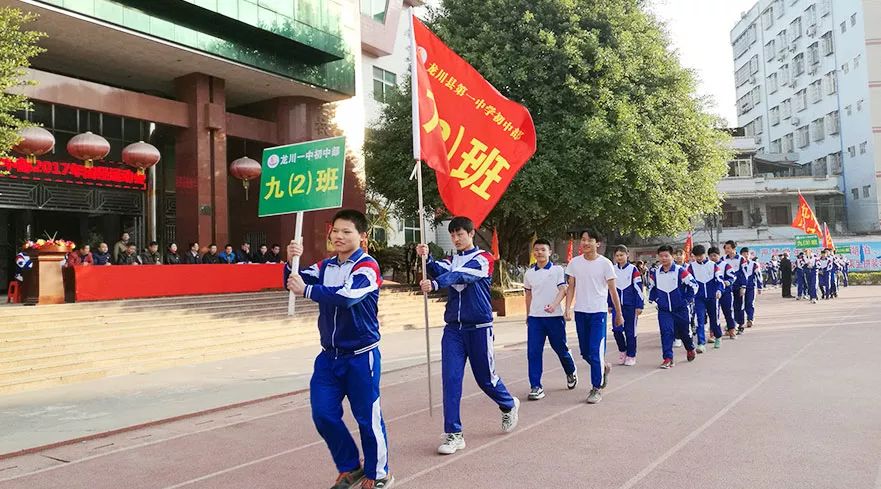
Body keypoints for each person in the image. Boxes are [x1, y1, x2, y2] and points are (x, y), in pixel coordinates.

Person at [285, 209, 393, 489]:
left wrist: (306, 291)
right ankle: (350, 466)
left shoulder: (367, 267)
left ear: (362, 236)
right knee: (323, 414)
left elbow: (347, 297)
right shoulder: (325, 267)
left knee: (367, 418)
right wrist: (290, 260)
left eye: (347, 232)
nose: (340, 236)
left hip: (361, 356)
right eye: (336, 231)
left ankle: (379, 472)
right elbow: (295, 279)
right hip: (329, 359)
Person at [417, 216, 519, 455]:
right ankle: (453, 433)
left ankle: (508, 404)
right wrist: (427, 257)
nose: (456, 238)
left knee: (485, 379)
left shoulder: (484, 260)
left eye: (460, 234)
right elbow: (440, 268)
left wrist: (435, 282)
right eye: (452, 235)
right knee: (451, 380)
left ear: (471, 234)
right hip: (453, 329)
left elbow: (460, 275)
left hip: (480, 328)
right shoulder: (451, 260)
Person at [564, 229, 624, 404]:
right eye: (583, 240)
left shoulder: (605, 264)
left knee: (596, 351)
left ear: (598, 243)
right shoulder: (574, 263)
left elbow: (613, 291)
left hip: (598, 312)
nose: (585, 243)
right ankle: (603, 368)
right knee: (585, 352)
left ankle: (596, 388)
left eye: (590, 240)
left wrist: (618, 314)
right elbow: (571, 287)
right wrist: (567, 308)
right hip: (581, 312)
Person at [523, 238, 577, 401]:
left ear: (549, 253)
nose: (539, 252)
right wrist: (528, 314)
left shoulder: (557, 270)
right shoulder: (529, 273)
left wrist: (554, 305)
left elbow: (563, 290)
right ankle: (536, 386)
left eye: (543, 250)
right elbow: (528, 295)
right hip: (535, 319)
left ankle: (570, 370)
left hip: (554, 318)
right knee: (533, 352)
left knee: (560, 349)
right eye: (536, 250)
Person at [647, 245, 698, 368]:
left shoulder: (680, 271)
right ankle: (668, 358)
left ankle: (690, 348)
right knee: (666, 332)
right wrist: (655, 300)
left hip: (680, 309)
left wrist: (686, 300)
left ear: (672, 256)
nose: (664, 258)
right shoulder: (655, 272)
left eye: (666, 256)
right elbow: (651, 288)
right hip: (664, 310)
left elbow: (694, 286)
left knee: (684, 333)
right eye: (661, 256)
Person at [609, 245, 644, 366]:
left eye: (621, 255)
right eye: (617, 255)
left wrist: (639, 305)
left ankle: (631, 355)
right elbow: (609, 288)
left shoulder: (633, 269)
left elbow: (639, 288)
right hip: (616, 306)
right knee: (617, 330)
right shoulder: (612, 269)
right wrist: (609, 303)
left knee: (630, 332)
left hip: (631, 306)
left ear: (627, 255)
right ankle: (622, 351)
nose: (619, 257)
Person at [687, 245, 724, 351]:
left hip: (713, 297)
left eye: (701, 256)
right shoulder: (691, 267)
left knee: (714, 319)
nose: (699, 258)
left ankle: (718, 336)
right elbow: (688, 282)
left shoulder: (713, 265)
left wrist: (719, 290)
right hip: (698, 298)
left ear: (705, 254)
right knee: (700, 320)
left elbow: (720, 279)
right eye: (696, 256)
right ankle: (701, 343)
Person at [738, 248, 762, 329]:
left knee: (749, 303)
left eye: (747, 254)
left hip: (751, 286)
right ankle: (739, 321)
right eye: (744, 254)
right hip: (740, 286)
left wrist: (760, 286)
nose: (746, 255)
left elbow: (758, 275)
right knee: (740, 304)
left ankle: (750, 319)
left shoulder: (754, 264)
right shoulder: (738, 264)